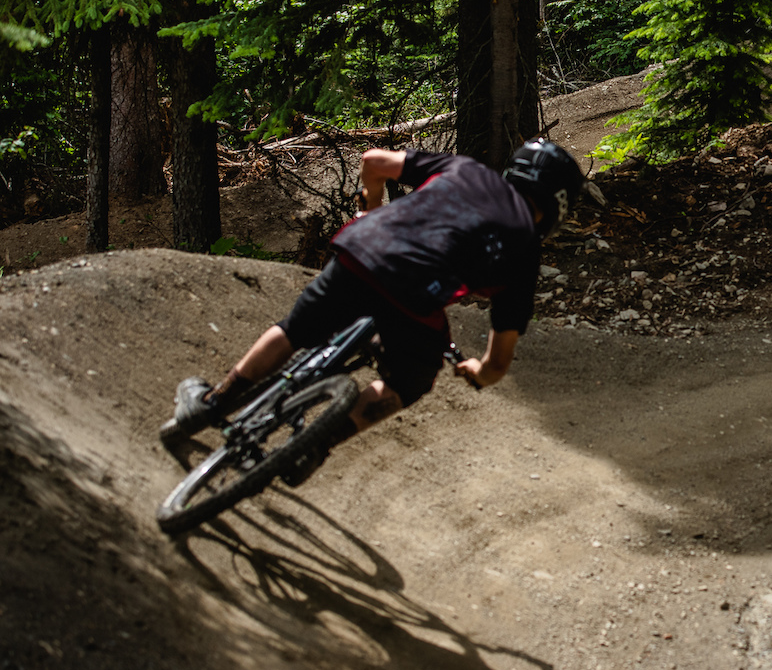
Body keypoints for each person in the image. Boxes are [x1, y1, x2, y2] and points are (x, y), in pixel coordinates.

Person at [160, 138, 586, 478]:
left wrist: (370, 206)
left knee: (294, 330)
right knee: (412, 379)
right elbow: (498, 361)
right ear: (557, 204)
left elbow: (374, 160)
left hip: (361, 253)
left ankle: (213, 402)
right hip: (414, 299)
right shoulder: (525, 249)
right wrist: (478, 371)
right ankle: (313, 446)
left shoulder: (466, 170)